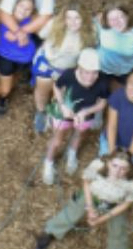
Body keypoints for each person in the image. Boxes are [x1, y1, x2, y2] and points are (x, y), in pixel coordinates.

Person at [34, 151, 133, 249]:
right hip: (91, 197)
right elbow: (86, 184)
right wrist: (90, 208)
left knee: (118, 230)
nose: (117, 171)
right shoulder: (97, 166)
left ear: (129, 169)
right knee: (71, 213)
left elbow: (125, 205)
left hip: (114, 206)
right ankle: (50, 232)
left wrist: (101, 219)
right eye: (114, 165)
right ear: (108, 163)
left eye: (123, 168)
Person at [42, 48, 111, 184]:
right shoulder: (69, 75)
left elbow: (103, 103)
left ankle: (72, 155)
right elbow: (57, 87)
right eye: (86, 72)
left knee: (79, 134)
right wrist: (62, 105)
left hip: (85, 113)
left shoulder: (102, 82)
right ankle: (48, 164)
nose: (90, 77)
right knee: (57, 139)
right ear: (79, 68)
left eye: (95, 73)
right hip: (65, 110)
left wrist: (86, 112)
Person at [0, 0, 47, 117]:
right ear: (14, 5)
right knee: (5, 87)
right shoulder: (4, 16)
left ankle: (4, 98)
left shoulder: (32, 20)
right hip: (5, 57)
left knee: (16, 77)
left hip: (25, 58)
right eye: (21, 6)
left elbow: (48, 22)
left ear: (32, 11)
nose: (23, 10)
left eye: (28, 9)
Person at [31, 6, 88, 135]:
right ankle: (41, 112)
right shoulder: (55, 24)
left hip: (67, 70)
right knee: (42, 92)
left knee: (60, 95)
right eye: (69, 17)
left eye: (77, 18)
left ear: (84, 19)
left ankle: (54, 111)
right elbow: (41, 34)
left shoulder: (88, 35)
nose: (72, 22)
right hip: (48, 64)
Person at [91, 4, 133, 85]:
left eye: (120, 17)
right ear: (106, 21)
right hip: (102, 67)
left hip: (127, 69)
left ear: (127, 16)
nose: (117, 22)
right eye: (112, 19)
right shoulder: (102, 26)